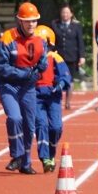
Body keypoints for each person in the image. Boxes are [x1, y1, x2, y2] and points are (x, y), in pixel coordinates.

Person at [0, 2, 48, 174]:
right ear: (20, 21)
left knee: (29, 126)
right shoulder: (8, 38)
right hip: (8, 85)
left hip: (28, 87)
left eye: (34, 21)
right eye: (27, 21)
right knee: (15, 118)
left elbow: (43, 62)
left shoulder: (41, 39)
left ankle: (25, 163)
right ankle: (16, 155)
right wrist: (23, 73)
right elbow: (0, 66)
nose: (31, 24)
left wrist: (38, 72)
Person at [33, 25, 72, 173]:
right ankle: (45, 158)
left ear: (49, 43)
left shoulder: (55, 57)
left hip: (53, 97)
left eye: (42, 42)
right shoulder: (32, 58)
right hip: (36, 97)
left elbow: (65, 76)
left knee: (56, 127)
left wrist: (60, 85)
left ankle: (51, 151)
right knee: (41, 124)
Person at [52, 3, 85, 110]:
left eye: (67, 12)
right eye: (63, 12)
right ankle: (57, 101)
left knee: (70, 80)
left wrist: (82, 56)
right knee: (57, 79)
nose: (65, 14)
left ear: (71, 14)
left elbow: (80, 42)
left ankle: (68, 102)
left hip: (72, 57)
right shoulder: (55, 24)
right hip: (58, 57)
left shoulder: (76, 26)